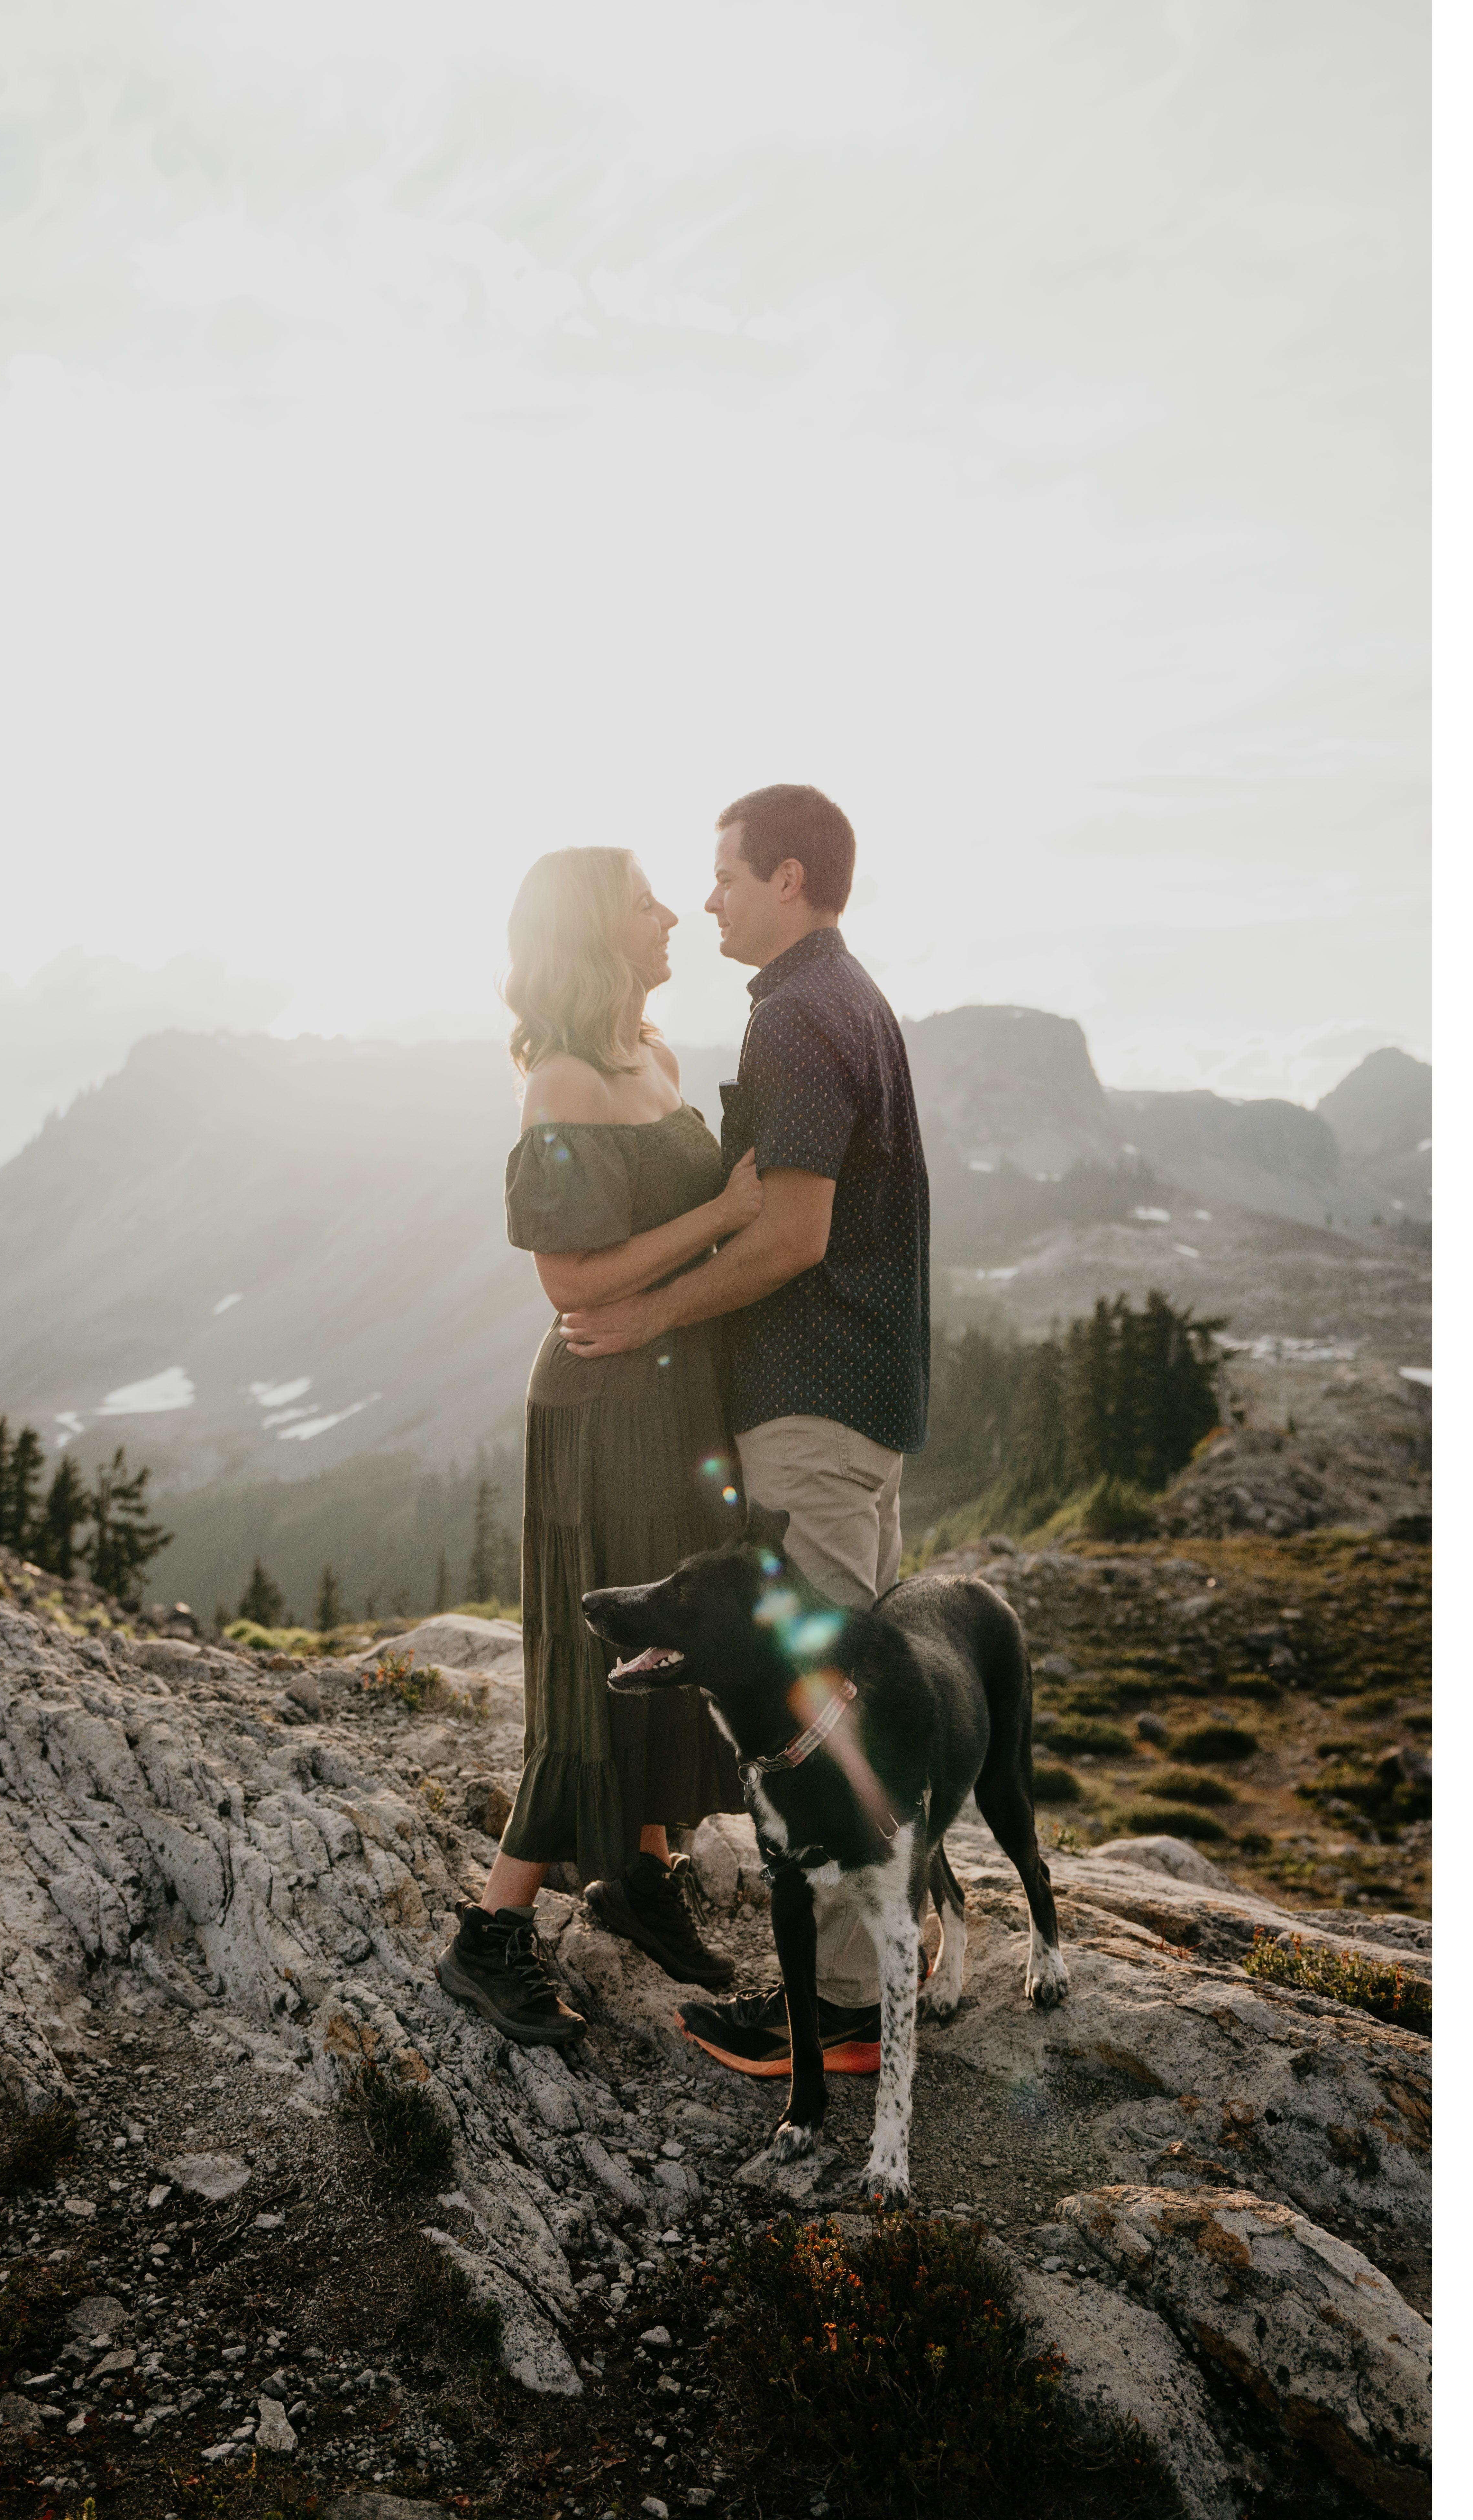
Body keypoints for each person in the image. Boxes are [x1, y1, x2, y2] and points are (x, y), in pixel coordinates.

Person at [557, 784, 930, 2078]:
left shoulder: (793, 1017)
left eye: (721, 876)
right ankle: (885, 1956)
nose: (705, 898)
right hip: (870, 1401)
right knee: (862, 1701)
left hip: (811, 1408)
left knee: (813, 1717)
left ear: (784, 877)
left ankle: (835, 2013)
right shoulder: (854, 995)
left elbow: (793, 1233)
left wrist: (650, 1306)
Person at [435, 846, 767, 2046]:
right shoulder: (563, 1085)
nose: (670, 910)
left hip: (676, 1404)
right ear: (594, 931)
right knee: (590, 1677)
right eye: (642, 898)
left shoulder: (656, 1059)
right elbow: (566, 1279)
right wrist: (723, 1214)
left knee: (670, 1645)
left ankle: (636, 1875)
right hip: (598, 1407)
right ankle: (489, 1938)